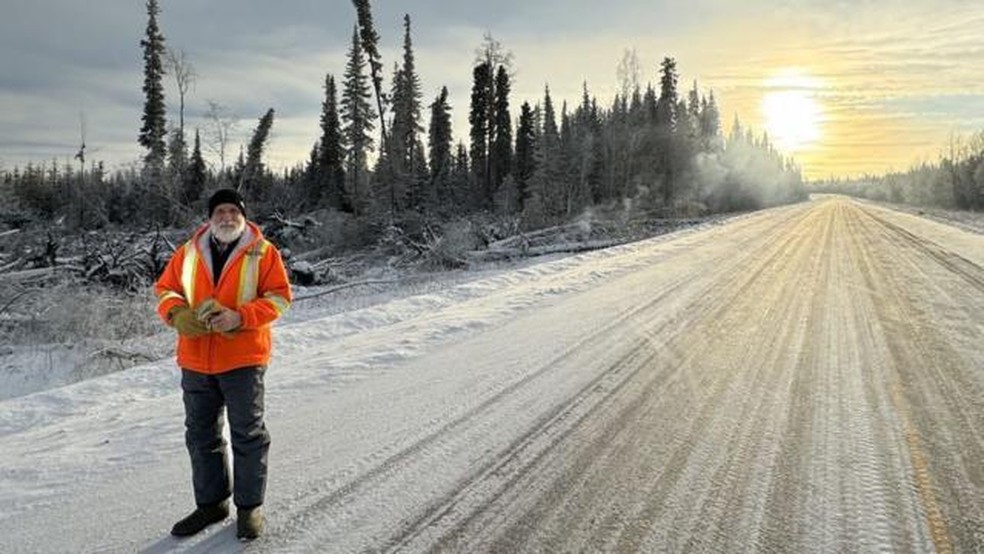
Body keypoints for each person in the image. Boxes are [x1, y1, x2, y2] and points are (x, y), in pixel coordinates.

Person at [155, 188, 292, 540]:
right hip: (196, 359)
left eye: (233, 211)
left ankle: (250, 510)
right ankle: (211, 504)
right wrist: (176, 313)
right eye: (221, 212)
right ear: (210, 217)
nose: (227, 217)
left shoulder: (263, 252)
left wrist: (240, 316)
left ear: (242, 216)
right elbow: (165, 289)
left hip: (243, 359)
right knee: (201, 436)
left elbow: (279, 298)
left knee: (247, 434)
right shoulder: (188, 252)